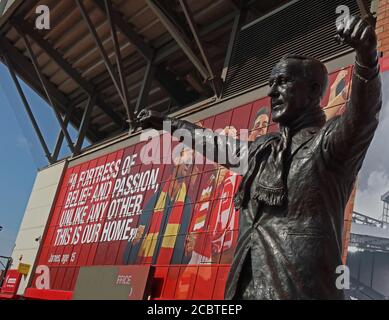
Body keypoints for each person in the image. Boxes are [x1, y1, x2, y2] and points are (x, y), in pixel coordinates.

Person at [136, 16, 382, 299]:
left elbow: (363, 116)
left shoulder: (330, 146)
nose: (271, 91)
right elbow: (215, 144)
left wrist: (366, 57)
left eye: (282, 82)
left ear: (314, 91)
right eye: (270, 83)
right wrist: (168, 124)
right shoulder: (263, 150)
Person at [124, 147, 194, 265]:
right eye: (187, 154)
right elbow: (131, 249)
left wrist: (188, 254)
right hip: (144, 272)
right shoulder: (154, 201)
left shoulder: (187, 205)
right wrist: (134, 243)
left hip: (166, 276)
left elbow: (181, 255)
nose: (190, 160)